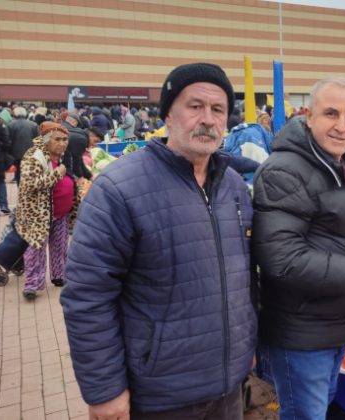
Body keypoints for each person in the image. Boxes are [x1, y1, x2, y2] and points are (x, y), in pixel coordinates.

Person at [61, 63, 256, 419]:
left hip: (228, 388)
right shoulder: (119, 189)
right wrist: (105, 390)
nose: (207, 119)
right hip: (161, 395)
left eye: (218, 110)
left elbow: (244, 277)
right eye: (195, 106)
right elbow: (87, 296)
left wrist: (248, 342)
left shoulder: (234, 187)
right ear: (168, 113)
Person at [252, 77, 345, 420]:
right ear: (308, 116)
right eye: (330, 114)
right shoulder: (284, 171)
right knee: (306, 414)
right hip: (302, 332)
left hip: (336, 322)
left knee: (321, 405)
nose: (341, 126)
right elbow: (281, 259)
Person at [16, 122, 78, 299]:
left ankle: (59, 276)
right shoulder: (33, 157)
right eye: (57, 139)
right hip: (39, 214)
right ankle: (32, 284)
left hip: (61, 211)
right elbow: (31, 184)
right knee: (36, 250)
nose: (62, 143)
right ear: (46, 140)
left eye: (65, 139)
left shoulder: (63, 155)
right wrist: (58, 173)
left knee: (60, 247)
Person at [7, 106, 40, 184]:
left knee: (18, 174)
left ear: (15, 114)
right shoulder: (33, 125)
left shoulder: (10, 125)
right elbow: (38, 140)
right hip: (31, 153)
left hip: (15, 154)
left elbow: (8, 140)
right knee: (30, 173)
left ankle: (20, 189)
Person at [61, 112, 93, 180]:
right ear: (74, 122)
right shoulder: (78, 137)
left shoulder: (61, 126)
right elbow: (77, 160)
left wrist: (87, 175)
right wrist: (80, 176)